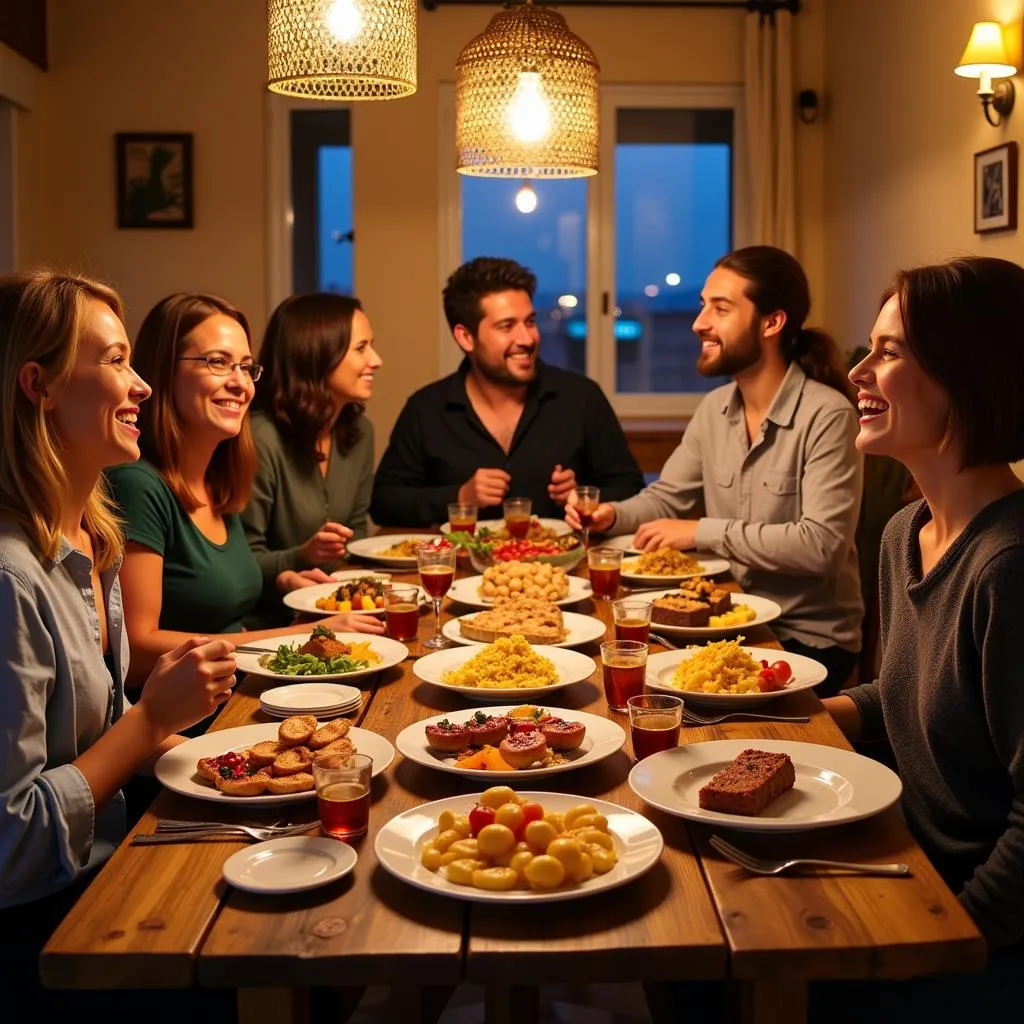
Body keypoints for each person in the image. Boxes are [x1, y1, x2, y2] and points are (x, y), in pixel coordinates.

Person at [0, 270, 237, 1013]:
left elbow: (92, 738)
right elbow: (10, 849)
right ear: (37, 384)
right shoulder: (11, 578)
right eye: (112, 361)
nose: (140, 386)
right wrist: (151, 720)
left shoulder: (88, 540)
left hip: (111, 871)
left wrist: (238, 764)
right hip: (46, 937)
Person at [813, 257, 1024, 1020]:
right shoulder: (907, 532)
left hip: (981, 928)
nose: (858, 372)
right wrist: (804, 715)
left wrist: (946, 945)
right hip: (907, 864)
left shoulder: (1008, 567)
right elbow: (905, 692)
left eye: (889, 351)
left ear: (967, 373)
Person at [568, 246, 863, 695]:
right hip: (724, 623)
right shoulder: (715, 408)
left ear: (772, 322)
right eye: (703, 304)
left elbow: (820, 546)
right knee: (617, 675)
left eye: (720, 308)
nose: (699, 322)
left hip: (804, 639)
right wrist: (612, 514)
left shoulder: (827, 415)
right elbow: (667, 498)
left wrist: (701, 531)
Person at [107, 293, 382, 689]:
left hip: (243, 690)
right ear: (164, 370)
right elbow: (137, 648)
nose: (239, 383)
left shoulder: (219, 481)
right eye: (218, 363)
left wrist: (294, 603)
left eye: (246, 367)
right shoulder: (139, 485)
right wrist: (300, 635)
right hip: (188, 717)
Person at [370, 256, 644, 526]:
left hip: (562, 568)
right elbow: (385, 503)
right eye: (506, 326)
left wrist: (584, 497)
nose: (527, 339)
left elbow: (632, 488)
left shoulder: (581, 397)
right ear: (466, 337)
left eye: (530, 322)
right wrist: (460, 497)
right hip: (463, 569)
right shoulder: (426, 409)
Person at [242, 293, 382, 628]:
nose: (376, 360)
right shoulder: (261, 438)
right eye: (361, 348)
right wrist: (301, 556)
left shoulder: (359, 432)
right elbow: (241, 562)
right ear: (317, 355)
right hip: (271, 627)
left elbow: (357, 533)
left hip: (341, 612)